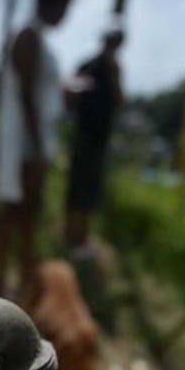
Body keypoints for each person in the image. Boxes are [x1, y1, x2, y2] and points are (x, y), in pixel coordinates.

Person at [0, 0, 73, 299]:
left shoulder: (37, 38)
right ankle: (4, 279)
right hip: (26, 143)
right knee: (16, 210)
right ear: (55, 4)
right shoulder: (28, 36)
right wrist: (39, 146)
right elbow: (26, 97)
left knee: (26, 211)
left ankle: (23, 276)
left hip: (33, 141)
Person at [65, 25, 124, 253]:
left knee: (90, 191)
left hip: (98, 138)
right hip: (84, 136)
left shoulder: (114, 69)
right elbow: (71, 96)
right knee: (77, 187)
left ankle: (81, 237)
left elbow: (119, 100)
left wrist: (112, 73)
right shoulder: (87, 65)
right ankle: (70, 235)